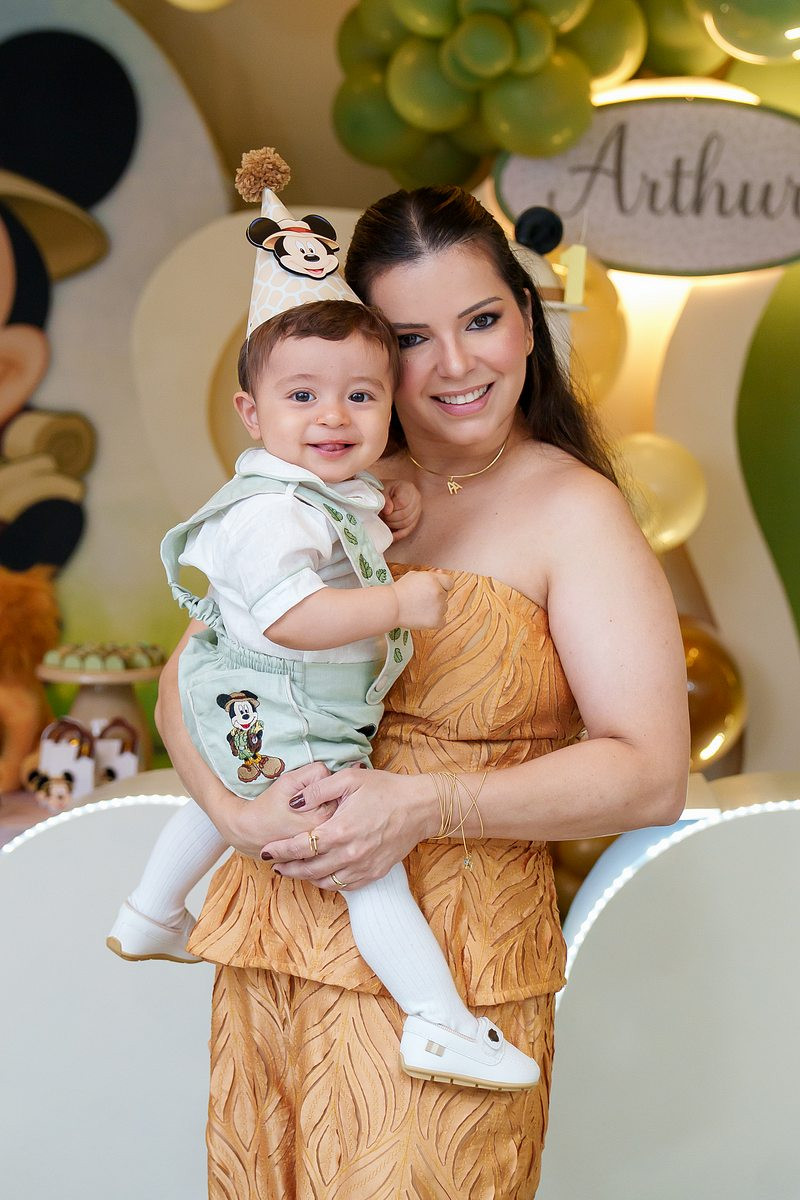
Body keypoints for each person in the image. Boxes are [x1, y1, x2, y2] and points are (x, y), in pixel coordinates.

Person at [155, 180, 689, 1199]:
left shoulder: (573, 512)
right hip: (276, 943)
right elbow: (192, 677)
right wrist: (237, 814)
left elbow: (650, 775)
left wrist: (423, 804)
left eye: (480, 320)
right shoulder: (317, 486)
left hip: (453, 974)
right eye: (409, 338)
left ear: (525, 319)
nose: (453, 364)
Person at [109, 154, 540, 1093]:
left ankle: (150, 909)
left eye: (359, 395)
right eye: (302, 396)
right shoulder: (271, 510)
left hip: (252, 710)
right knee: (362, 863)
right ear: (250, 412)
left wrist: (385, 506)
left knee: (236, 784)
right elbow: (291, 614)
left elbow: (339, 525)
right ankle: (437, 1019)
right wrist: (398, 602)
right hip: (291, 707)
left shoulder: (323, 489)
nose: (333, 417)